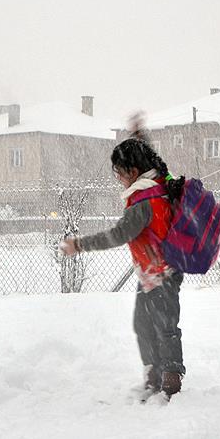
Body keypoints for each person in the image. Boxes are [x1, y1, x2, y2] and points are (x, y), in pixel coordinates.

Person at [59, 135, 186, 400]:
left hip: (161, 273)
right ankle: (155, 375)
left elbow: (118, 235)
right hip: (155, 272)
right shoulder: (160, 183)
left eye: (119, 173)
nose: (118, 179)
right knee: (144, 325)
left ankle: (170, 383)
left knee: (164, 328)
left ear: (133, 172)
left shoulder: (143, 201)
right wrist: (142, 136)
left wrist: (79, 245)